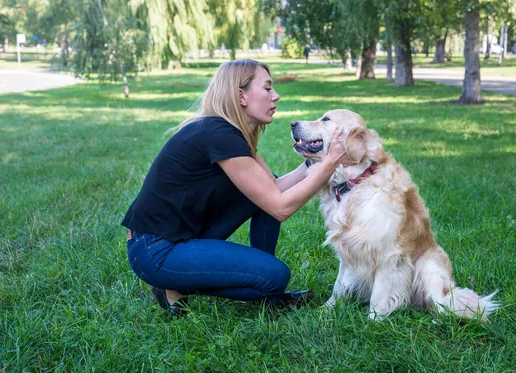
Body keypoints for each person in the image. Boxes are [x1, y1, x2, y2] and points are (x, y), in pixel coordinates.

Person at [122, 59, 349, 317]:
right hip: (156, 250)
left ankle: (258, 275)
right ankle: (173, 284)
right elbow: (281, 207)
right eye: (267, 88)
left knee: (265, 185)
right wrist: (329, 164)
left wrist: (312, 162)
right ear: (241, 96)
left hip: (179, 236)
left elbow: (272, 188)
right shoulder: (219, 135)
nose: (276, 96)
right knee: (275, 276)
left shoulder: (230, 132)